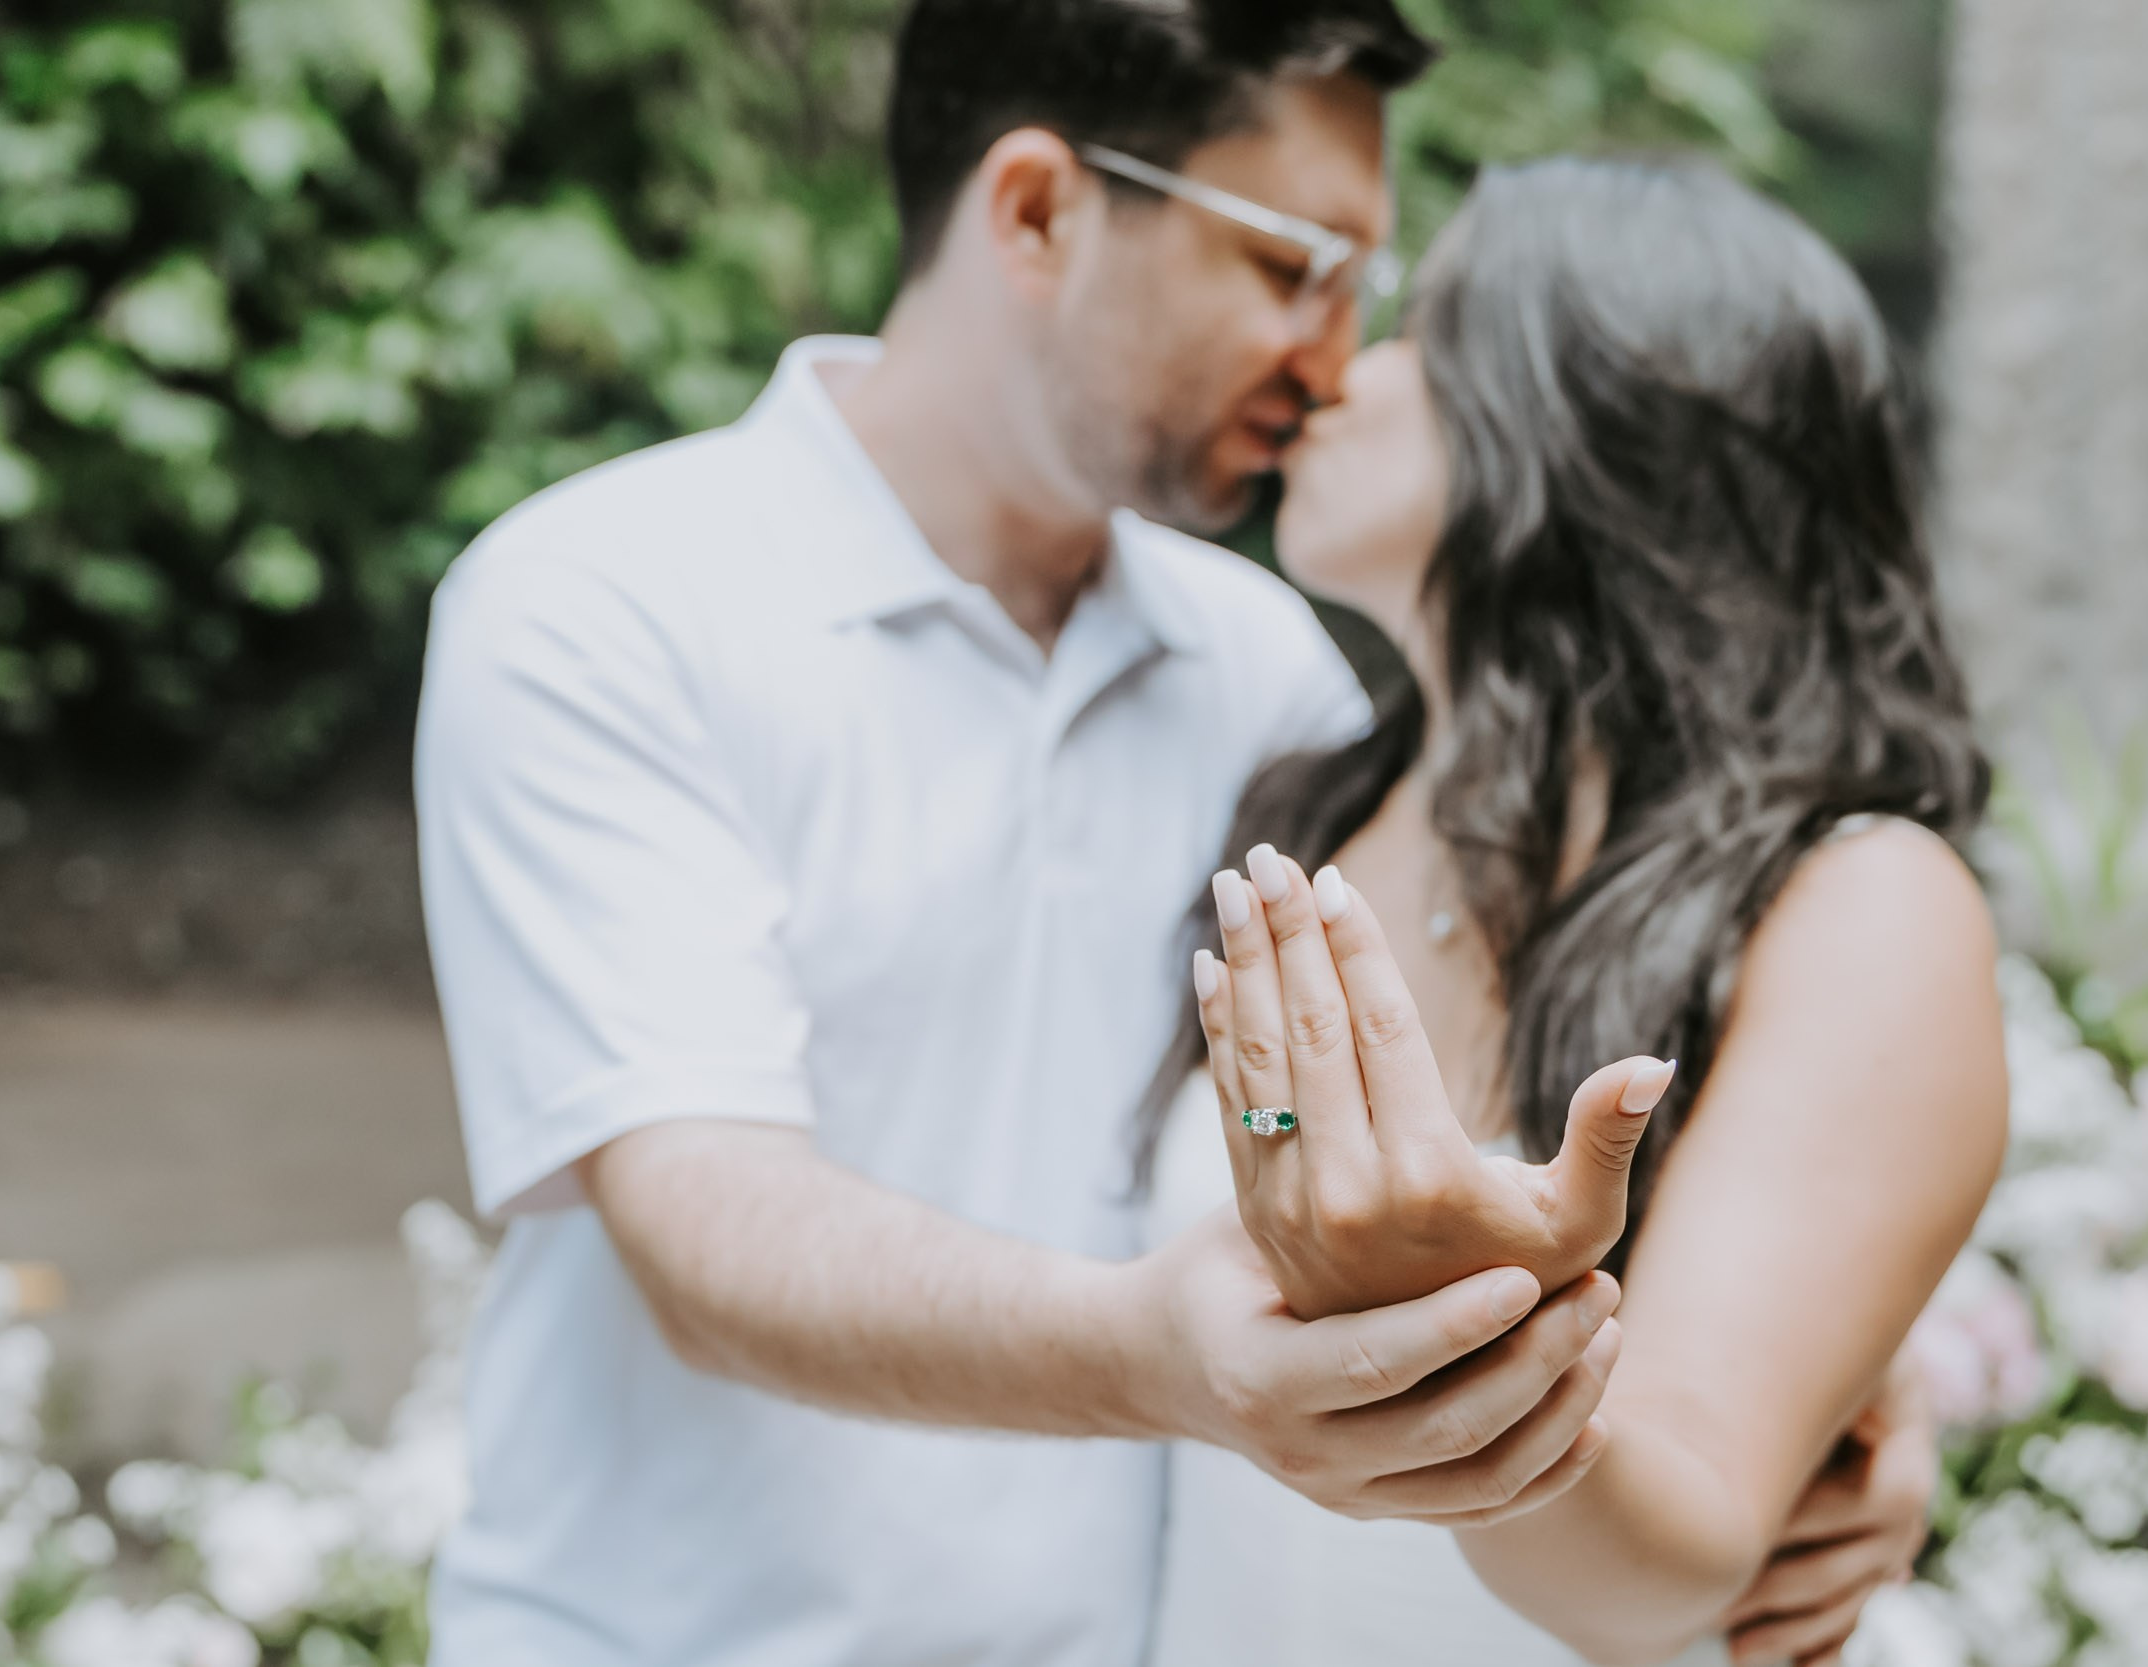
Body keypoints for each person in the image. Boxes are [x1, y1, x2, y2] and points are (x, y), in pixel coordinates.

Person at [413, 0, 1941, 1659]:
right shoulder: (603, 605)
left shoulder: (1266, 677)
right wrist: (1160, 1352)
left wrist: (1830, 1383)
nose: (1336, 355)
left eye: (1369, 291)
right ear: (1038, 211)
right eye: (1293, 266)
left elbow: (1635, 1037)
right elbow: (704, 1227)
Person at [1139, 157, 2009, 1667]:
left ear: (1595, 412)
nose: (1342, 366)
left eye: (1424, 323)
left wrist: (1444, 1339)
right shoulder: (1297, 809)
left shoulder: (1858, 905)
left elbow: (1663, 1579)